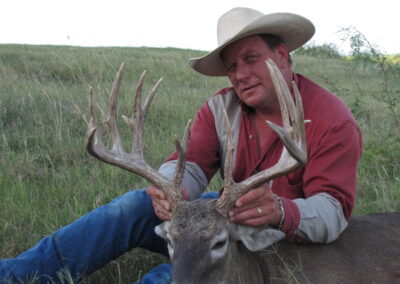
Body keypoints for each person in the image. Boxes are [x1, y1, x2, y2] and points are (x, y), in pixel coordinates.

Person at [0, 7, 362, 284]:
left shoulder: (332, 120)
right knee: (130, 207)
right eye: (232, 66)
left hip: (277, 238)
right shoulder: (221, 107)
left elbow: (332, 213)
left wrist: (282, 212)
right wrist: (168, 186)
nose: (240, 75)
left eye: (251, 58)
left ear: (281, 55)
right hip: (222, 217)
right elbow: (189, 166)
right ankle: (16, 275)